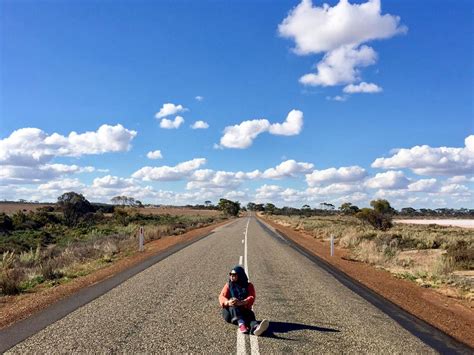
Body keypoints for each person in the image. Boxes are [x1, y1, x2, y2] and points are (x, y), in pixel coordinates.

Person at [219, 265, 269, 335]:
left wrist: (243, 302)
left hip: (242, 309)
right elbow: (222, 296)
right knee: (233, 302)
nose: (231, 276)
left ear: (240, 275)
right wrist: (228, 302)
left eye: (234, 275)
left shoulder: (249, 286)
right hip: (230, 313)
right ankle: (241, 324)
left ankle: (256, 327)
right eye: (230, 274)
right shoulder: (228, 285)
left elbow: (252, 297)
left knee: (250, 314)